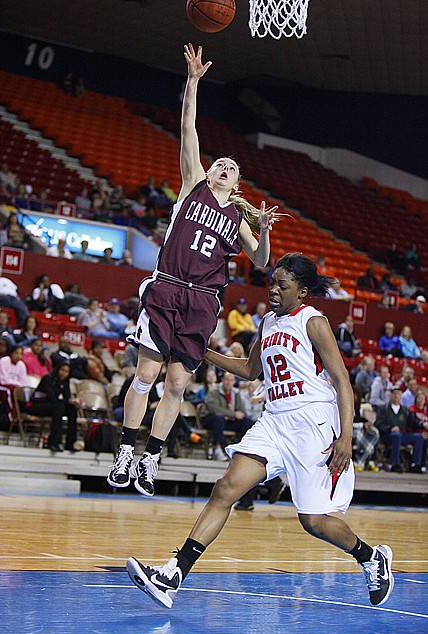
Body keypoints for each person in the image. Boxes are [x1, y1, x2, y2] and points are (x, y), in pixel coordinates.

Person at [126, 252, 394, 609]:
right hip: (275, 419)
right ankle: (174, 575)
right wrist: (202, 352)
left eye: (283, 285)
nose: (274, 290)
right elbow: (251, 370)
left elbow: (343, 381)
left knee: (313, 521)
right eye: (271, 283)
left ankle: (371, 557)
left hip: (312, 422)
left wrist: (345, 437)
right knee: (225, 488)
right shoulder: (267, 322)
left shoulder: (312, 321)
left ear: (302, 291)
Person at [107, 44, 280, 497]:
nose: (222, 167)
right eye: (219, 163)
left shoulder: (240, 220)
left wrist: (262, 230)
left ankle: (152, 457)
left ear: (237, 183)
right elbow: (188, 126)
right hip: (167, 288)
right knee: (146, 375)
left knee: (178, 382)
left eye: (230, 167)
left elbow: (261, 263)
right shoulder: (191, 186)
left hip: (203, 302)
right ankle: (126, 450)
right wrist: (194, 81)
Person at [200, 371, 255, 461]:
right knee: (219, 418)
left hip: (229, 420)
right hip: (211, 419)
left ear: (234, 382)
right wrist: (232, 414)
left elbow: (241, 410)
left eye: (231, 380)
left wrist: (237, 414)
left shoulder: (236, 393)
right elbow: (213, 409)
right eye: (226, 380)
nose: (228, 382)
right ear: (222, 380)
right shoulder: (214, 390)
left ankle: (241, 449)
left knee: (248, 422)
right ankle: (217, 448)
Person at [27, 362, 80, 452]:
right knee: (59, 407)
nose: (64, 373)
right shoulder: (48, 378)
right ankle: (53, 442)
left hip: (53, 406)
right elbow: (51, 397)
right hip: (37, 405)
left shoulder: (65, 382)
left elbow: (66, 397)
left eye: (66, 371)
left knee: (72, 409)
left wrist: (73, 402)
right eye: (62, 370)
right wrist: (67, 401)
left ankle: (70, 443)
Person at [375, 387, 424, 473]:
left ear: (401, 395)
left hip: (402, 435)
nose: (396, 395)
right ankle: (395, 463)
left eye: (398, 393)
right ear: (391, 395)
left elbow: (413, 421)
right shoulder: (384, 409)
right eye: (394, 393)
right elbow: (379, 424)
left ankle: (416, 465)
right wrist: (390, 428)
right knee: (396, 436)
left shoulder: (405, 410)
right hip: (388, 436)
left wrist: (422, 424)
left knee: (418, 437)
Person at [352, 403, 380, 472]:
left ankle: (361, 462)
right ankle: (369, 461)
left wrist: (369, 427)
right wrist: (362, 425)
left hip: (365, 435)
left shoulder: (366, 419)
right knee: (359, 434)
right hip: (352, 432)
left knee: (375, 433)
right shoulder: (354, 412)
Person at [407, 391, 428, 469]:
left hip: (425, 434)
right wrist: (422, 425)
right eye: (419, 398)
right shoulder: (412, 410)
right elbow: (412, 423)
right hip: (414, 433)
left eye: (423, 399)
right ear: (415, 400)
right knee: (423, 440)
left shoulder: (425, 413)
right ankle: (420, 465)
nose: (421, 400)